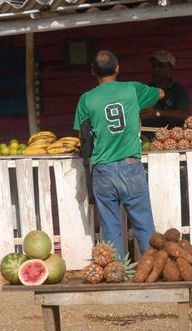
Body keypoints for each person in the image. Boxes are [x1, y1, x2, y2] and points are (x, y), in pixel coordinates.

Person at [73, 50, 164, 258]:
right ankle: (153, 269)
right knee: (143, 223)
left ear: (92, 72)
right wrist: (137, 107)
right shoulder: (132, 89)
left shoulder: (86, 99)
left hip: (102, 168)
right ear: (117, 68)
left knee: (111, 227)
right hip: (130, 165)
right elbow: (160, 94)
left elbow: (81, 134)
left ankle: (119, 272)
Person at [140, 50, 191, 129]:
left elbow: (184, 114)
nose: (156, 69)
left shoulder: (179, 90)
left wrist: (157, 113)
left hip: (174, 137)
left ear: (171, 69)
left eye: (160, 66)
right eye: (154, 66)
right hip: (149, 137)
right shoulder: (146, 91)